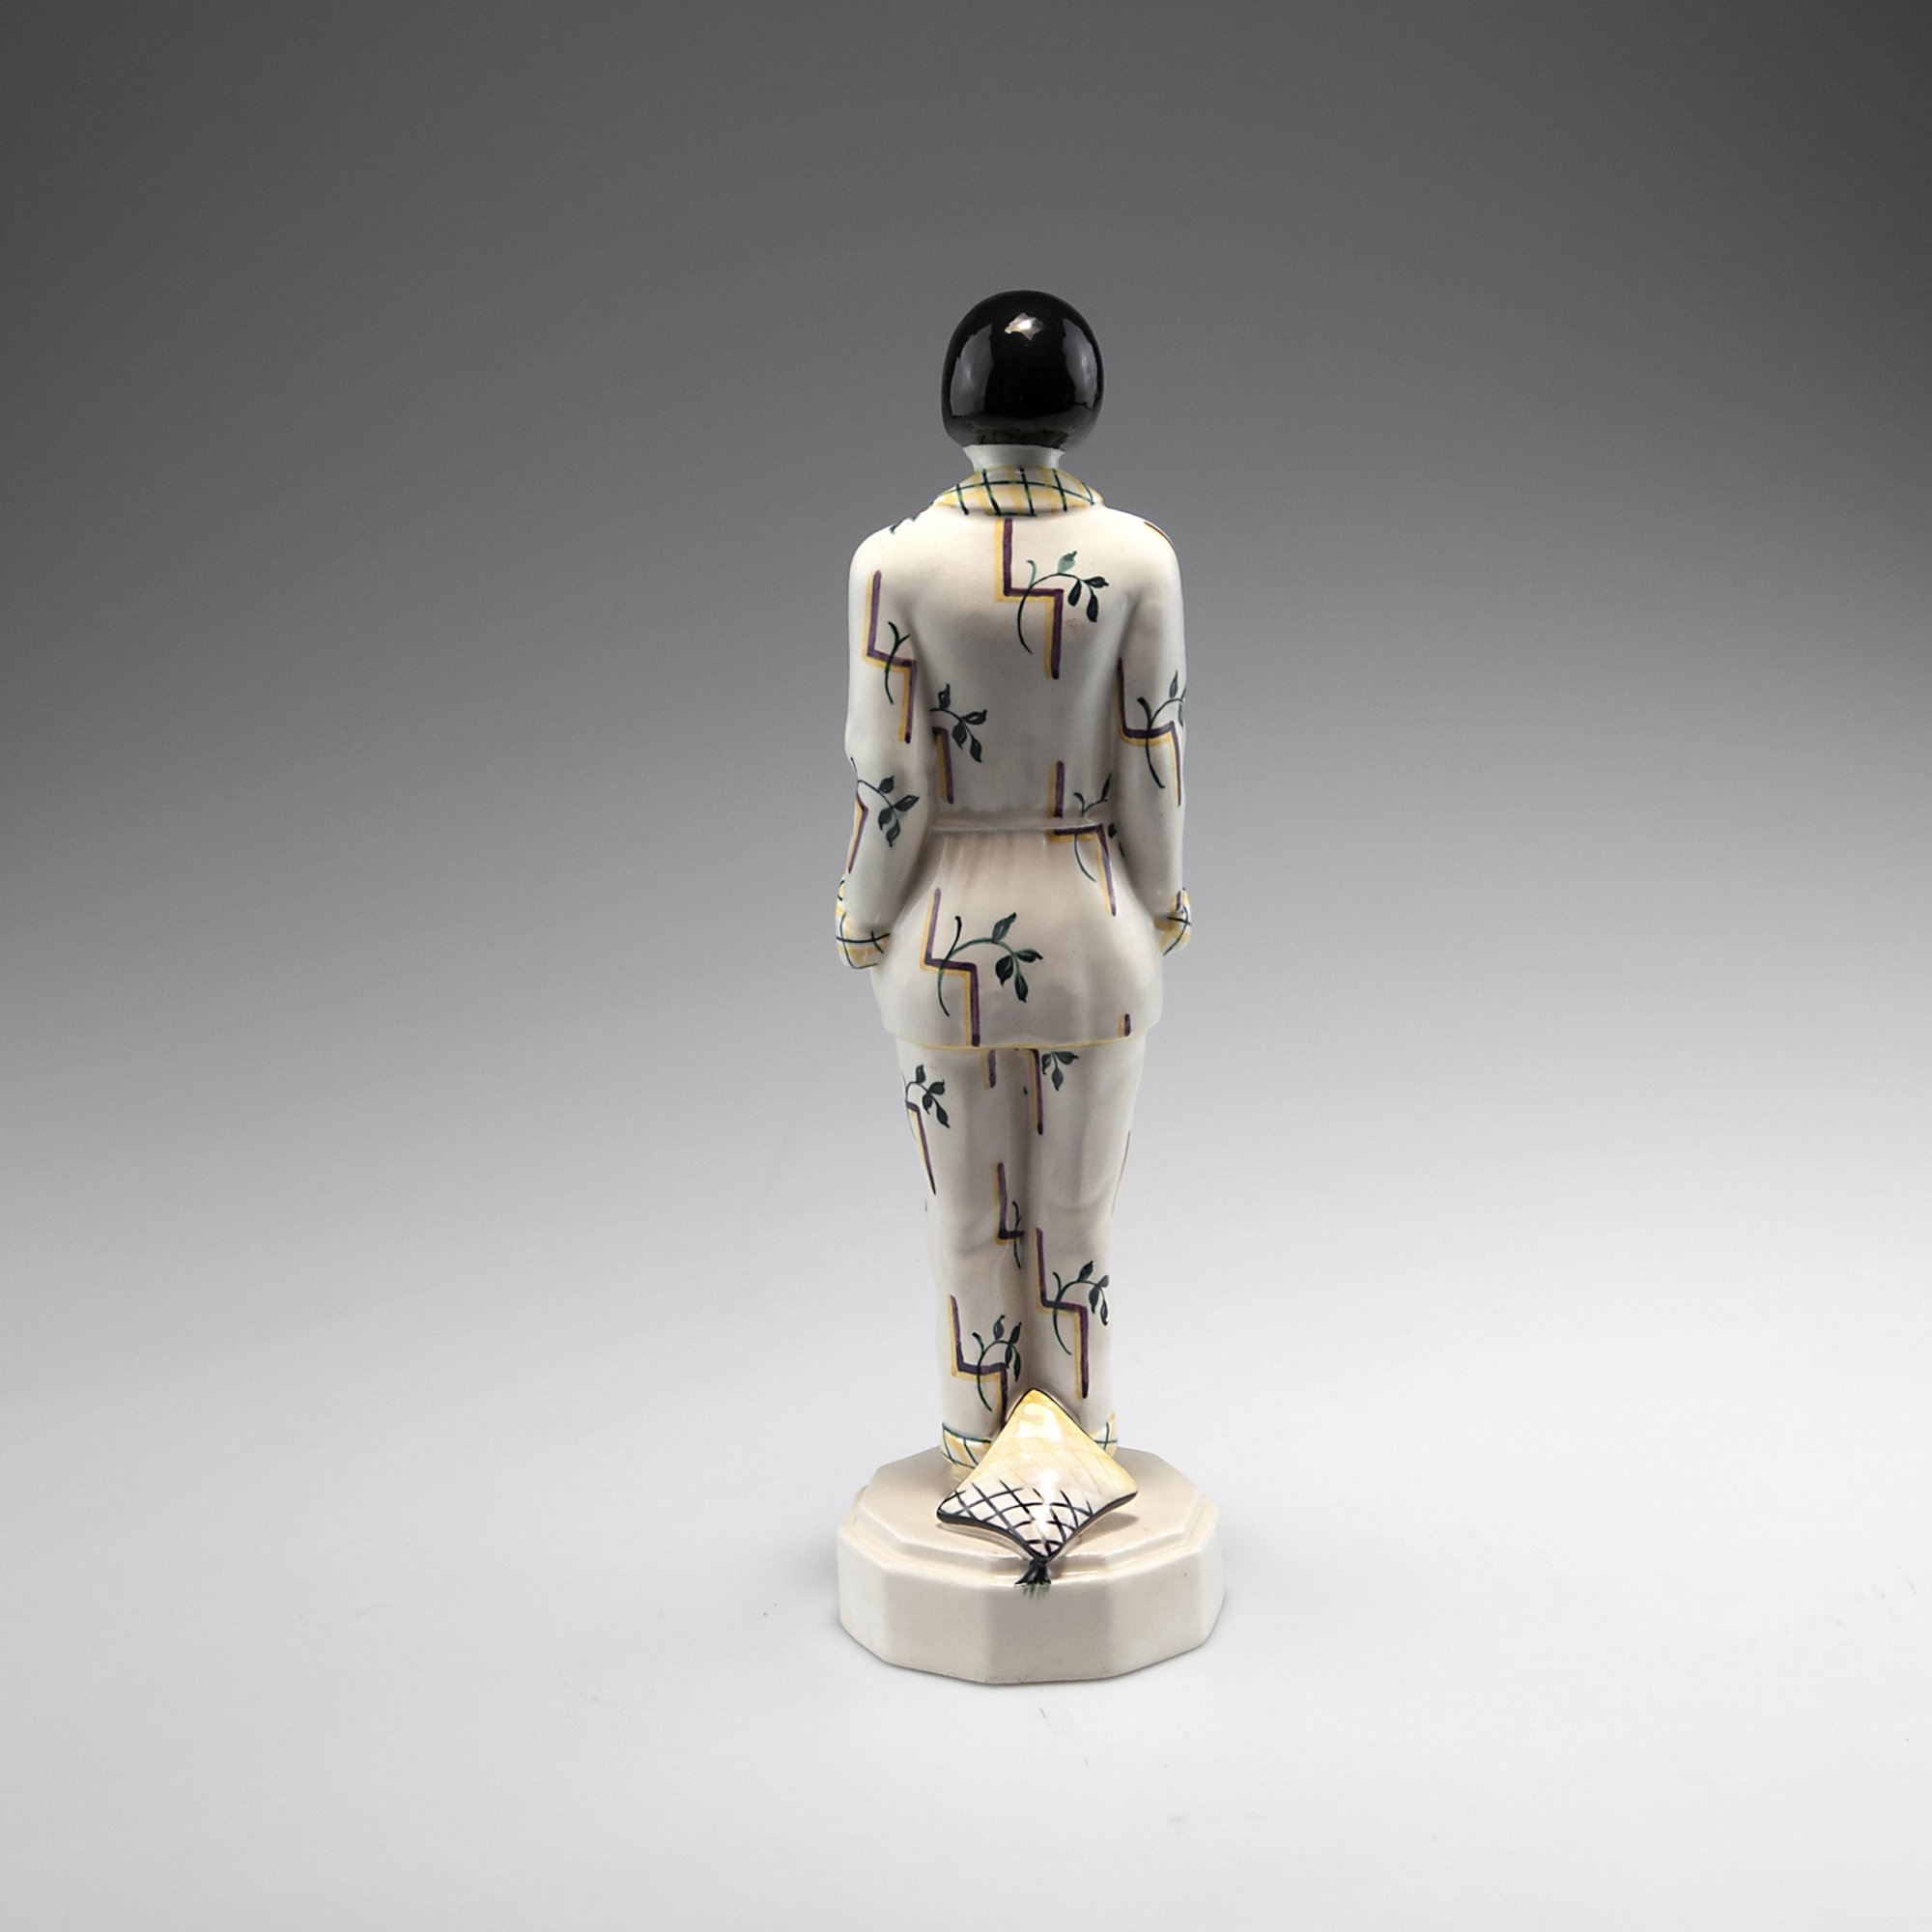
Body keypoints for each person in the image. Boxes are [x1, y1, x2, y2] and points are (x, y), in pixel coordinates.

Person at [836, 290, 1191, 1470]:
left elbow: (888, 776)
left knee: (963, 1215)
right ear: (1081, 406)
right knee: (1078, 1216)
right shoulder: (1136, 560)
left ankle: (973, 1437)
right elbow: (1152, 751)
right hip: (1094, 921)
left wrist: (860, 911)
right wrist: (1164, 897)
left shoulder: (892, 564)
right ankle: (1075, 1438)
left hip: (946, 937)